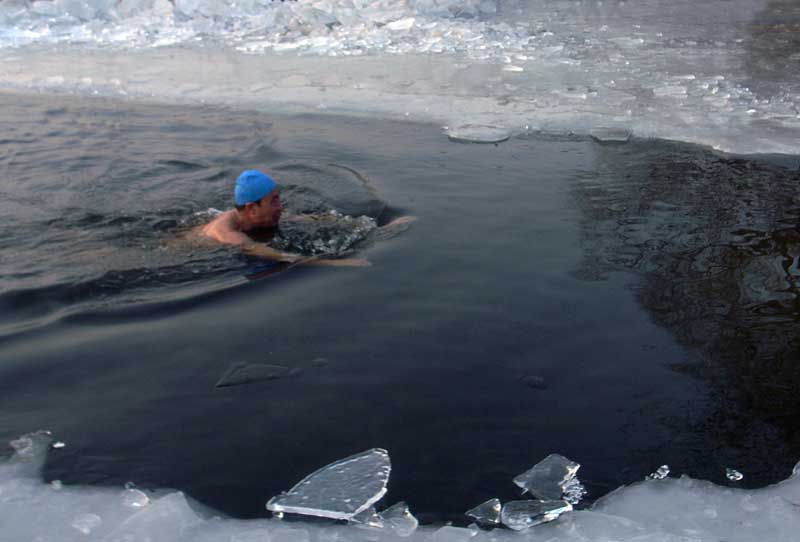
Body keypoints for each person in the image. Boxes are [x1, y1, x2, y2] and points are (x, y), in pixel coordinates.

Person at [199, 169, 411, 267]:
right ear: (252, 208)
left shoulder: (249, 216)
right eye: (273, 201)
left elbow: (305, 219)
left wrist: (382, 225)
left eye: (278, 199)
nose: (280, 207)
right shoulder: (227, 235)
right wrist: (337, 263)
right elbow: (272, 254)